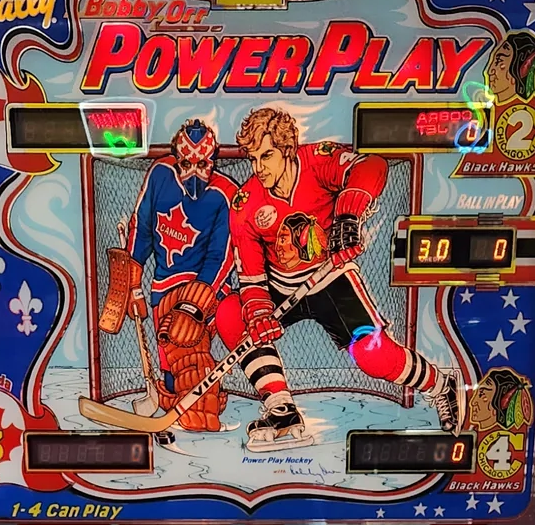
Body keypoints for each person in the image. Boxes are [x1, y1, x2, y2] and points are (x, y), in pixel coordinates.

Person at [216, 103, 463, 453]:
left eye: (267, 155)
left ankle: (440, 384)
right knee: (231, 313)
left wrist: (347, 216)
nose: (259, 168)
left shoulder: (318, 160)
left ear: (287, 148)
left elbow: (371, 165)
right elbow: (252, 275)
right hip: (281, 285)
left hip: (332, 278)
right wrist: (258, 315)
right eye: (253, 159)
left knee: (372, 357)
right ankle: (281, 408)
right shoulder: (245, 204)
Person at [101, 118, 235, 429]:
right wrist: (134, 287)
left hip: (203, 289)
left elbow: (221, 256)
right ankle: (169, 399)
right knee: (168, 361)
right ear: (176, 157)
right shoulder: (161, 174)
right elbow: (142, 230)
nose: (194, 172)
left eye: (203, 163)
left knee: (184, 344)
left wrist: (194, 305)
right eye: (187, 162)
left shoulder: (224, 193)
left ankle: (199, 414)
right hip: (163, 287)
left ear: (213, 160)